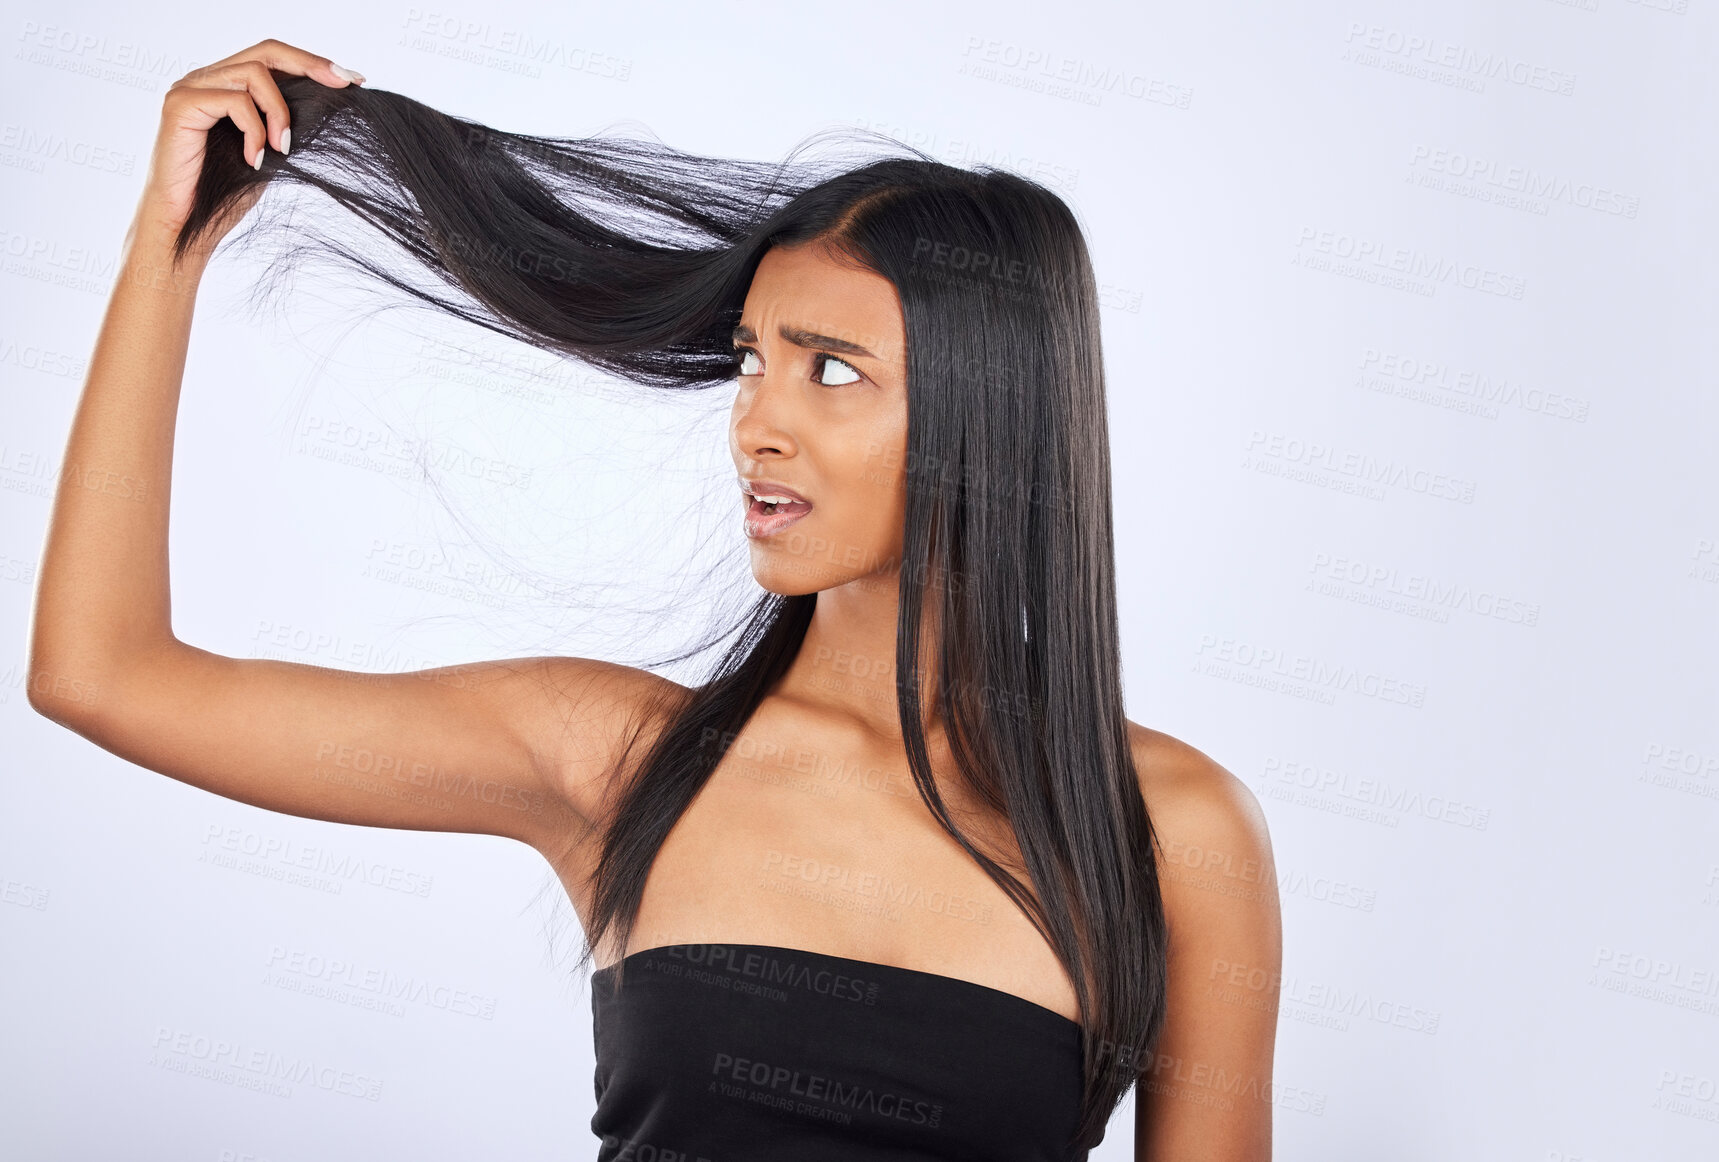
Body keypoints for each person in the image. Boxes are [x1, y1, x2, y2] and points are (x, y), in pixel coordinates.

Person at [26, 38, 1282, 1161]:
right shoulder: (618, 758)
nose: (756, 423)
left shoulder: (1173, 831)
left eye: (830, 369)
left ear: (991, 412)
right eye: (750, 359)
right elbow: (104, 673)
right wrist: (167, 250)